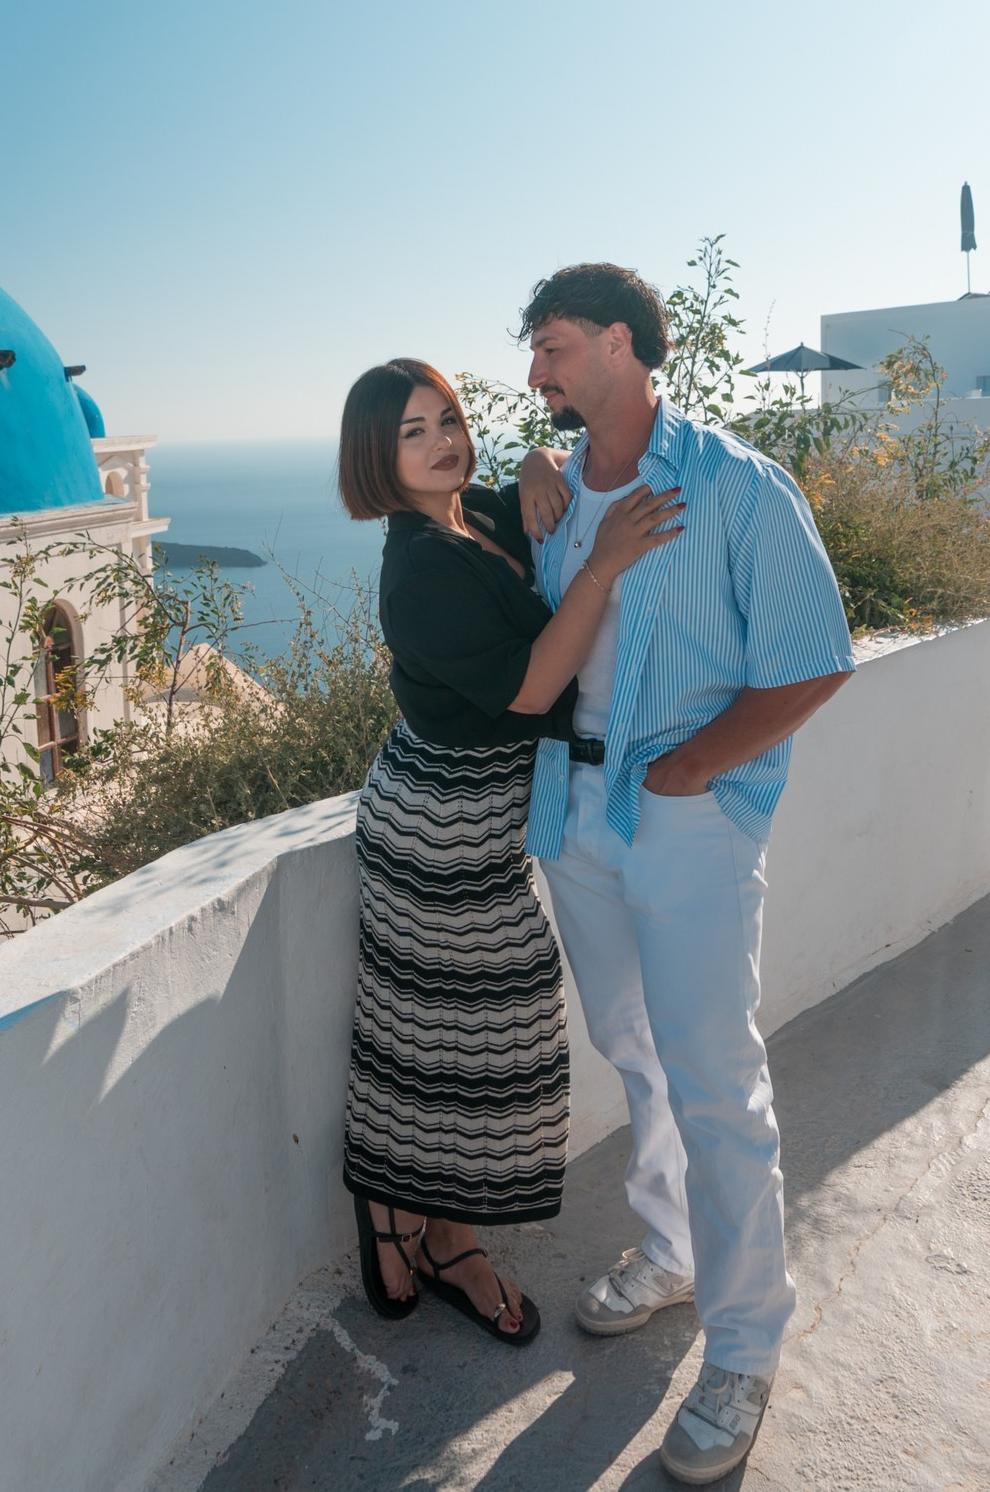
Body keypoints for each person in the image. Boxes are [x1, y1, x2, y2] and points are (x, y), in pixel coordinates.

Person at [513, 263, 854, 1485]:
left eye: (551, 347)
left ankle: (746, 1345)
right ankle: (669, 1249)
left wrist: (696, 767)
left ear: (619, 344)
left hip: (684, 813)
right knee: (633, 1044)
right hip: (575, 812)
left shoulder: (736, 487)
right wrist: (530, 484)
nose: (536, 373)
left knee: (715, 1075)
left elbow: (816, 660)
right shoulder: (550, 494)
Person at [336, 357, 682, 1346]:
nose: (443, 439)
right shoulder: (415, 572)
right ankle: (409, 1212)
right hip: (433, 830)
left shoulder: (472, 516)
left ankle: (437, 1225)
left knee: (455, 1037)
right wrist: (609, 559)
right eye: (412, 431)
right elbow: (530, 689)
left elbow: (544, 491)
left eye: (445, 418)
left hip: (493, 816)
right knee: (454, 1033)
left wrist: (536, 456)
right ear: (376, 456)